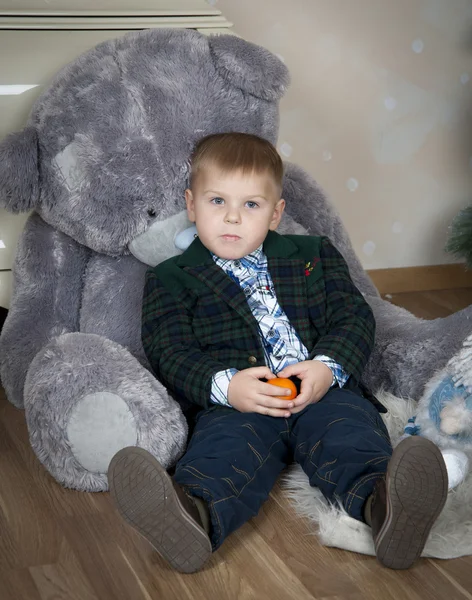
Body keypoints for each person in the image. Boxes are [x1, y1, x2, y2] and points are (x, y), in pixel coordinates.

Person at [108, 132, 448, 574]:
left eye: (251, 205)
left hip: (320, 392)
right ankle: (193, 514)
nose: (232, 217)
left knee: (349, 436)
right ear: (191, 206)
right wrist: (227, 386)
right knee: (224, 450)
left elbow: (354, 316)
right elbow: (169, 349)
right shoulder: (173, 278)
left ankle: (385, 508)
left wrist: (328, 368)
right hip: (240, 402)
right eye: (217, 202)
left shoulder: (314, 255)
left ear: (275, 213)